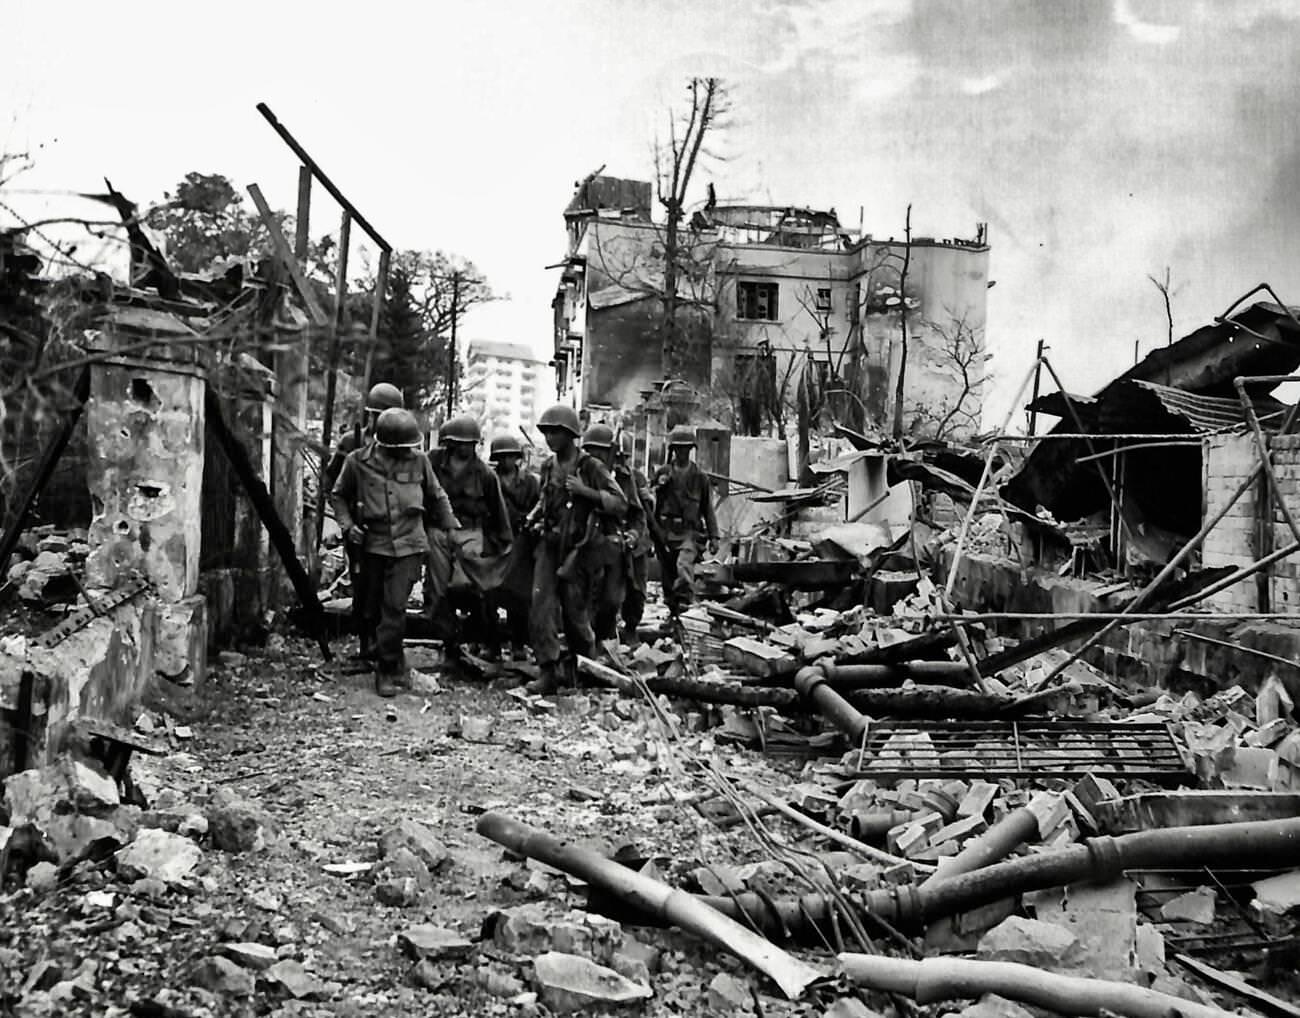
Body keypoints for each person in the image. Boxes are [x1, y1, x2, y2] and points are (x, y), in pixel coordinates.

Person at [331, 408, 458, 697]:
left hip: (409, 544)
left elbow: (437, 495)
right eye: (400, 449)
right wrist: (348, 525)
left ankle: (386, 670)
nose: (406, 454)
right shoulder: (357, 462)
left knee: (395, 607)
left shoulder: (420, 462)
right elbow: (338, 495)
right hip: (373, 545)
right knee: (373, 606)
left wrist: (452, 530)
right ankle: (387, 654)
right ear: (384, 444)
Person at [527, 405, 626, 695]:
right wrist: (533, 519)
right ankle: (548, 671)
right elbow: (544, 502)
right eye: (546, 433)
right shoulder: (547, 467)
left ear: (571, 435)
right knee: (540, 605)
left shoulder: (591, 467)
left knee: (575, 613)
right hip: (549, 544)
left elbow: (620, 504)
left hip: (579, 549)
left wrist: (586, 492)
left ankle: (586, 666)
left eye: (555, 432)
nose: (549, 438)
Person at [323, 382, 404, 663]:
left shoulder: (400, 447)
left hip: (389, 530)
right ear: (370, 416)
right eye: (379, 416)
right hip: (359, 532)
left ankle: (383, 645)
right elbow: (332, 485)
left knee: (387, 590)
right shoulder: (351, 443)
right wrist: (346, 524)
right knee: (362, 585)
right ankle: (365, 641)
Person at [425, 415, 513, 662]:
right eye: (460, 443)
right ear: (450, 443)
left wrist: (498, 544)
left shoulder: (484, 474)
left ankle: (474, 639)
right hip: (438, 531)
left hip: (470, 532)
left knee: (467, 588)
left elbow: (498, 511)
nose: (466, 448)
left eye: (470, 443)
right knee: (437, 591)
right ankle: (450, 643)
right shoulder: (432, 462)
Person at [650, 425, 719, 615]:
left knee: (683, 565)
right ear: (673, 450)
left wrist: (714, 537)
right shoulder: (663, 474)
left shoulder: (700, 478)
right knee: (668, 575)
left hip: (689, 533)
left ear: (691, 450)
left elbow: (707, 509)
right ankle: (674, 614)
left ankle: (684, 601)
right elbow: (651, 504)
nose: (682, 452)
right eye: (678, 448)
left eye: (686, 448)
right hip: (665, 532)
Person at [488, 433, 540, 660]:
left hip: (521, 541)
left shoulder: (529, 482)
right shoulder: (490, 479)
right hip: (495, 542)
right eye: (503, 456)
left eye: (511, 456)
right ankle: (492, 645)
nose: (507, 461)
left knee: (519, 597)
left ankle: (518, 644)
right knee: (489, 596)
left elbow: (538, 507)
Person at [613, 430, 655, 644]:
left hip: (637, 542)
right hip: (611, 541)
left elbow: (645, 512)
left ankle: (631, 627)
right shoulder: (602, 477)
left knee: (637, 590)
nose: (620, 462)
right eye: (616, 457)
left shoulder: (637, 478)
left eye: (624, 457)